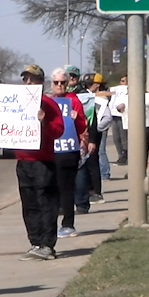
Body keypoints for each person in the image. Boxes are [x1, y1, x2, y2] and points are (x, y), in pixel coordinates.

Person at [14, 64, 66, 261]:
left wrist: (44, 122)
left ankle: (47, 245)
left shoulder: (48, 104)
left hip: (42, 162)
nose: (28, 83)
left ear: (41, 83)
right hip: (23, 162)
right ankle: (35, 242)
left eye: (33, 79)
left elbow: (58, 131)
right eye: (25, 79)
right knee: (29, 205)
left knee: (46, 203)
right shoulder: (16, 102)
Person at [50, 66, 88, 239]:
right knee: (52, 189)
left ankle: (68, 224)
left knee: (66, 188)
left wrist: (77, 119)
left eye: (62, 82)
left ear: (67, 84)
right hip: (51, 151)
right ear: (51, 84)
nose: (59, 85)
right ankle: (50, 225)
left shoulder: (73, 101)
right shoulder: (47, 101)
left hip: (69, 151)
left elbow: (82, 126)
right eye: (56, 82)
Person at [74, 74, 105, 213]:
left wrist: (93, 137)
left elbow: (95, 120)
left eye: (90, 84)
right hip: (77, 138)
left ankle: (95, 192)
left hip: (91, 136)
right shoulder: (78, 96)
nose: (88, 86)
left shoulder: (99, 98)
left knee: (91, 164)